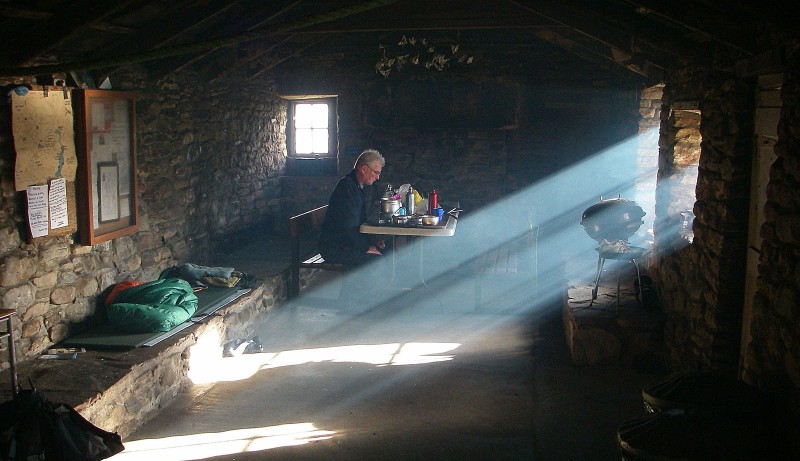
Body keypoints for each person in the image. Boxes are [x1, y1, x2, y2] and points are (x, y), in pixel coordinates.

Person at [319, 149, 387, 268]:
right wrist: (366, 248)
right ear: (364, 169)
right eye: (376, 172)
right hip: (336, 247)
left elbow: (358, 223)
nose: (377, 177)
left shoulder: (356, 186)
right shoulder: (346, 188)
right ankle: (357, 287)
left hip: (346, 243)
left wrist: (373, 240)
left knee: (386, 250)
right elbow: (347, 228)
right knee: (378, 260)